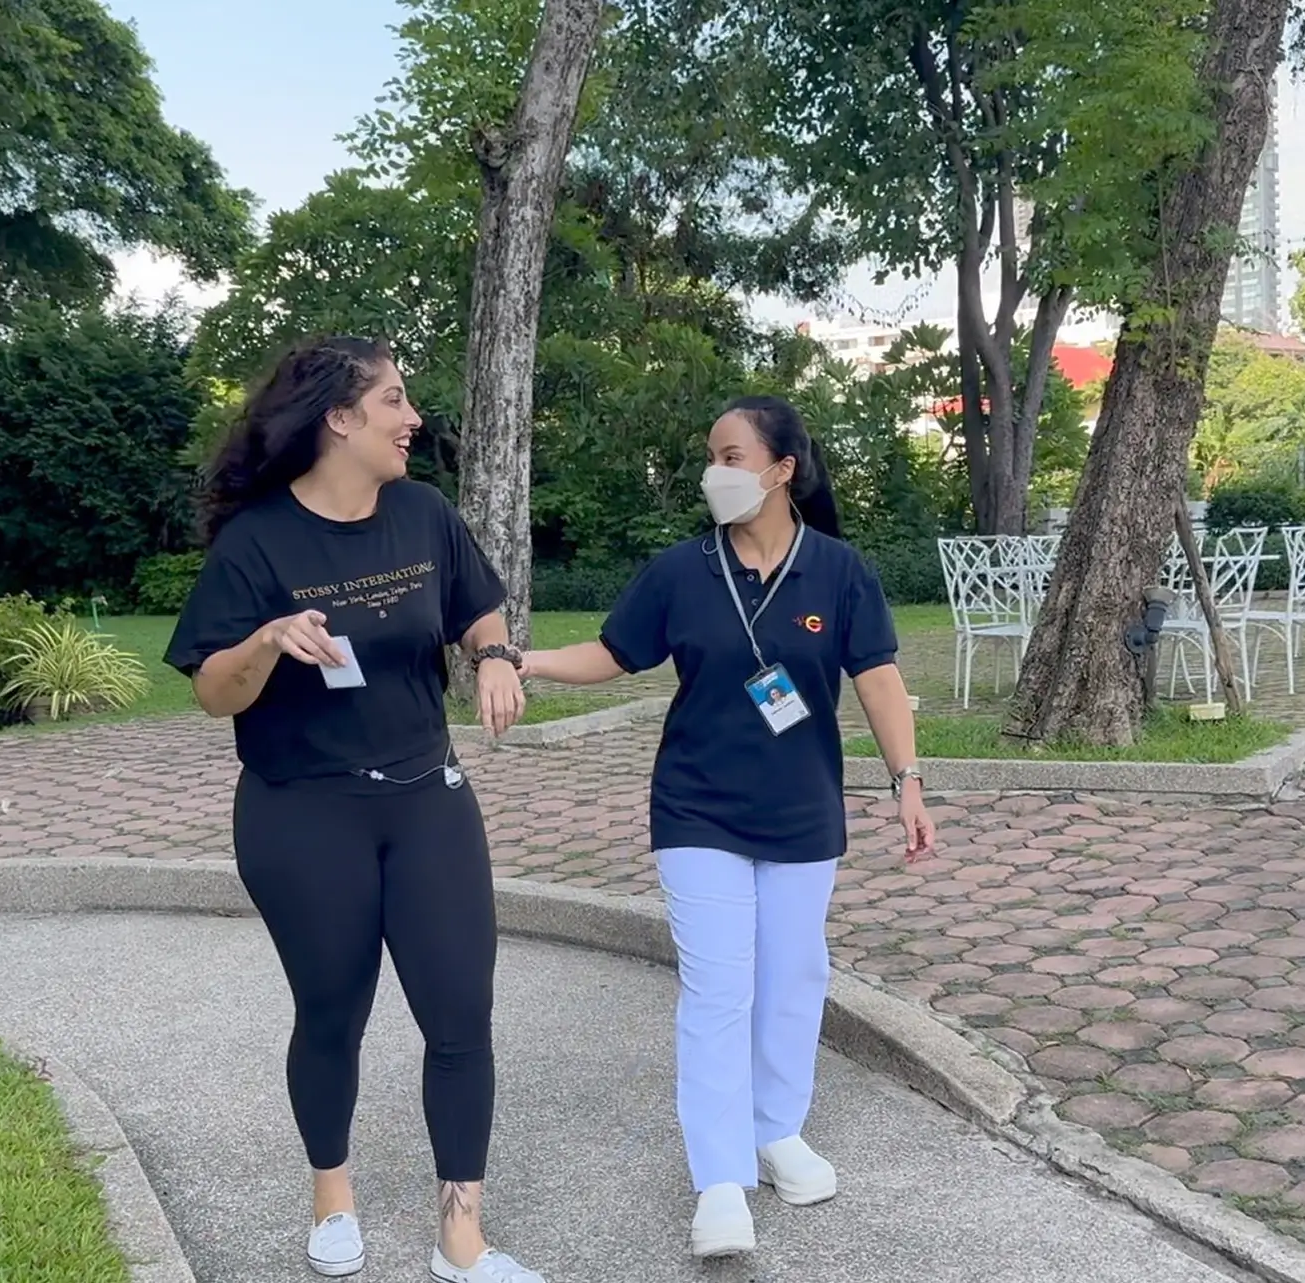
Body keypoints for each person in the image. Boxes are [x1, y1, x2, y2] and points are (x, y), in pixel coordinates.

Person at [519, 395, 937, 1259]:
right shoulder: (681, 571)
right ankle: (719, 1180)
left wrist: (908, 782)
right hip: (696, 806)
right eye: (712, 455)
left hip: (802, 809)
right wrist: (522, 659)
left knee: (793, 976)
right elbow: (613, 653)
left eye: (733, 455)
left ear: (782, 469)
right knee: (718, 989)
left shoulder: (839, 571)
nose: (717, 471)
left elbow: (879, 678)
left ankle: (777, 1128)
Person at [165, 337, 545, 1283]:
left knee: (460, 1013)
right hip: (303, 813)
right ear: (340, 418)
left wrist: (493, 657)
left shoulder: (422, 513)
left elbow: (480, 610)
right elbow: (215, 692)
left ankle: (461, 1233)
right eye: (393, 400)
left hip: (426, 799)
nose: (412, 419)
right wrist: (264, 640)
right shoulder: (259, 540)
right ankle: (332, 1192)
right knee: (332, 1011)